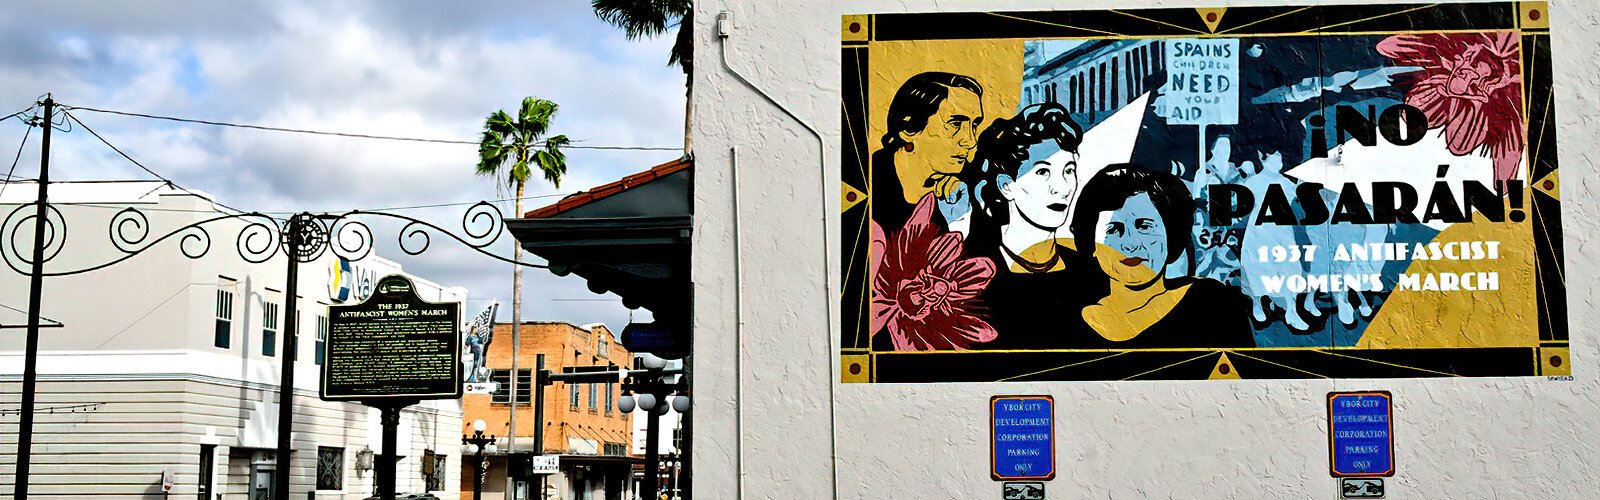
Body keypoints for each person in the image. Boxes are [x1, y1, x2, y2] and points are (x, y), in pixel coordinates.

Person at [961, 101, 1101, 349]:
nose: (1062, 188)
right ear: (1007, 185)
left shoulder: (1091, 273)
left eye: (1069, 170)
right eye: (1042, 172)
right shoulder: (969, 274)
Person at [1067, 164, 1255, 348]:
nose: (1130, 244)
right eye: (1113, 230)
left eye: (1144, 226)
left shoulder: (1214, 304)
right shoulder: (1065, 320)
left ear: (1170, 232)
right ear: (1091, 241)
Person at [872, 72, 985, 231]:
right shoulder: (867, 184)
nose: (971, 141)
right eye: (955, 124)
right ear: (909, 129)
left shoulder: (972, 188)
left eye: (974, 125)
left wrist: (960, 219)